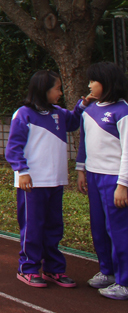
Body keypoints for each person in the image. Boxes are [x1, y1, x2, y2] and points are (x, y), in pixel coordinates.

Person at [5, 70, 81, 288]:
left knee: (54, 226)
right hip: (32, 183)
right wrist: (22, 170)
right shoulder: (23, 114)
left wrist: (82, 105)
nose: (60, 92)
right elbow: (13, 148)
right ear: (43, 89)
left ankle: (53, 269)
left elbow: (74, 122)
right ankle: (27, 268)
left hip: (55, 181)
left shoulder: (59, 113)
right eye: (57, 88)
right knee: (33, 227)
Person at [77, 61, 128, 299]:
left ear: (106, 83)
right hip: (94, 177)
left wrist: (122, 185)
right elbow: (84, 145)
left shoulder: (123, 111)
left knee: (118, 229)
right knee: (98, 227)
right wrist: (81, 171)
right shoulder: (89, 110)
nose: (88, 85)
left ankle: (124, 281)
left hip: (114, 179)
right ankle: (107, 271)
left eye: (92, 81)